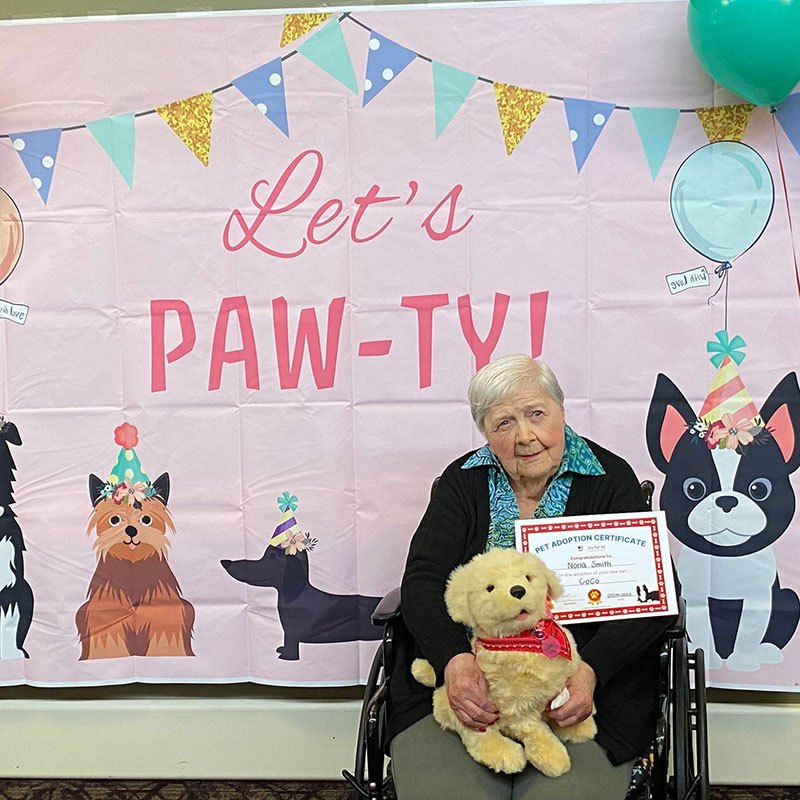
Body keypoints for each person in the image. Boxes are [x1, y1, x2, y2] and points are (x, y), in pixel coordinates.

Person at [387, 354, 674, 800]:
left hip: (584, 695)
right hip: (466, 687)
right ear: (485, 432)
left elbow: (652, 596)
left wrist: (591, 671)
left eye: (536, 414)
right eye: (503, 423)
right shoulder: (464, 482)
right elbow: (423, 580)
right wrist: (454, 662)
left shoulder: (610, 479)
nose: (524, 436)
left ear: (561, 410)